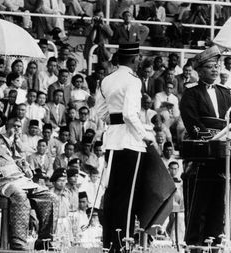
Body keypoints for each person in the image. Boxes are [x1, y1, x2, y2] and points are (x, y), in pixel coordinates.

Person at [0, 98, 56, 250]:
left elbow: (14, 157)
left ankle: (44, 239)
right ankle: (18, 241)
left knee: (49, 197)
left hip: (19, 179)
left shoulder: (1, 141)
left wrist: (22, 164)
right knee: (20, 195)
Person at [96, 43, 156, 252]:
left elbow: (101, 112)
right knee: (128, 195)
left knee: (113, 192)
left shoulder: (106, 80)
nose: (140, 61)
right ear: (133, 59)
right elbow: (130, 114)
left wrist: (115, 124)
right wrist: (145, 135)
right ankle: (124, 243)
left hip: (112, 141)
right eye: (138, 57)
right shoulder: (133, 81)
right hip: (130, 142)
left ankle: (111, 242)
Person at [179, 46, 231, 251]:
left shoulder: (225, 93)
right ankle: (194, 246)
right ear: (200, 70)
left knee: (217, 208)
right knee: (197, 207)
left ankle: (214, 246)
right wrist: (210, 138)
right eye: (211, 66)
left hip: (221, 157)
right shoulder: (191, 93)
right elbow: (191, 120)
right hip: (201, 157)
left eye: (217, 66)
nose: (215, 70)